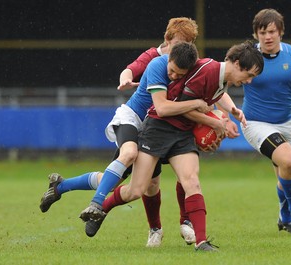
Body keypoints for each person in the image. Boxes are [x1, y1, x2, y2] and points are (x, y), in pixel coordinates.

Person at [81, 40, 264, 252]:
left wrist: (226, 118)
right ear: (237, 63)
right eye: (249, 74)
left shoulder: (222, 80)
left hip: (182, 134)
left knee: (192, 182)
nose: (249, 81)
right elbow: (179, 108)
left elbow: (210, 103)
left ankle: (202, 242)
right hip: (158, 128)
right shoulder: (208, 71)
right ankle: (101, 208)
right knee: (136, 190)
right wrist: (214, 122)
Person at [39, 17, 208, 246]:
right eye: (180, 42)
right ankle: (100, 206)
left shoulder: (185, 62)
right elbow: (130, 69)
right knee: (128, 157)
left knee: (145, 184)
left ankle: (62, 186)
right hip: (133, 118)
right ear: (167, 39)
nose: (182, 47)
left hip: (157, 128)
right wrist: (126, 79)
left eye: (188, 43)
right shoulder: (153, 58)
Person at [241, 9, 291, 233]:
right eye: (262, 32)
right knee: (288, 161)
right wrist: (220, 113)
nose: (267, 36)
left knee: (287, 173)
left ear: (281, 32)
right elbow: (221, 81)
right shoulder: (245, 56)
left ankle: (284, 218)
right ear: (256, 34)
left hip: (286, 123)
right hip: (255, 123)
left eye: (272, 31)